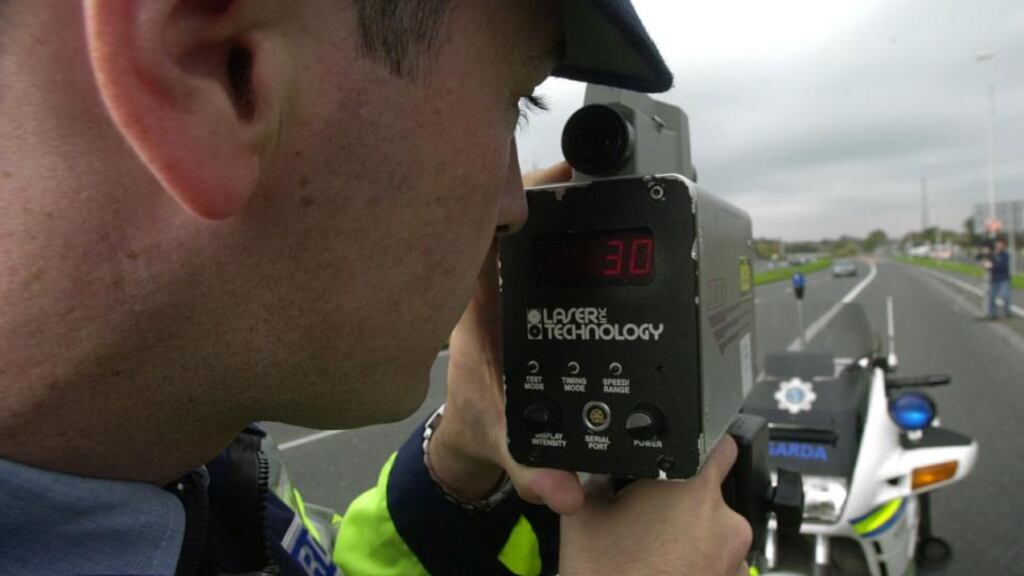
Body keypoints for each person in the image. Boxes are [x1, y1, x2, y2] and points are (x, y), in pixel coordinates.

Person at [0, 1, 752, 575]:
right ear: (221, 69)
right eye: (515, 102)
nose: (516, 207)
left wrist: (453, 474)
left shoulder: (180, 471)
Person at [984, 238, 1013, 319]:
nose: (998, 246)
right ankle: (992, 313)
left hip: (1004, 279)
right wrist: (986, 265)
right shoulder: (992, 255)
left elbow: (1003, 266)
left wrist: (992, 265)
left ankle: (1007, 311)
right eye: (997, 244)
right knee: (992, 296)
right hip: (994, 279)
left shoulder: (1005, 255)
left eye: (1000, 244)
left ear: (1003, 246)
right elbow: (988, 266)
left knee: (1005, 296)